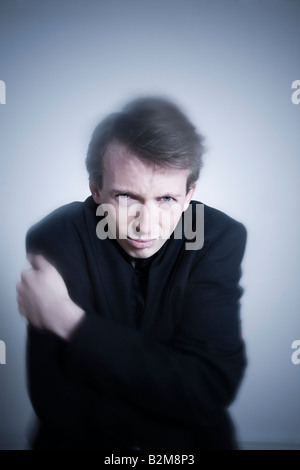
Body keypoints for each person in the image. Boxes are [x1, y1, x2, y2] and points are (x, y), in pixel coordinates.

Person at [17, 97, 247, 450]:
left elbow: (208, 387)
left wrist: (68, 320)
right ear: (96, 190)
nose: (146, 225)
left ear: (189, 197)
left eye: (166, 200)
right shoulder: (56, 238)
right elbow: (56, 399)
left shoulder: (218, 238)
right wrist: (170, 384)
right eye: (126, 197)